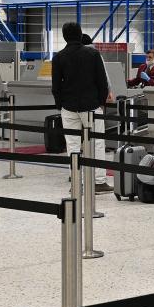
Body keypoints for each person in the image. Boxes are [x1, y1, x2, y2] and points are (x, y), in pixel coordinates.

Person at [51, 22, 113, 193]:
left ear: (64, 37)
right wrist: (100, 102)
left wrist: (60, 105)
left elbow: (56, 86)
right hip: (91, 106)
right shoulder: (92, 54)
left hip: (68, 107)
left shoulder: (58, 57)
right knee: (97, 143)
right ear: (80, 35)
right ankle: (99, 181)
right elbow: (102, 82)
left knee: (72, 145)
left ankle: (76, 182)